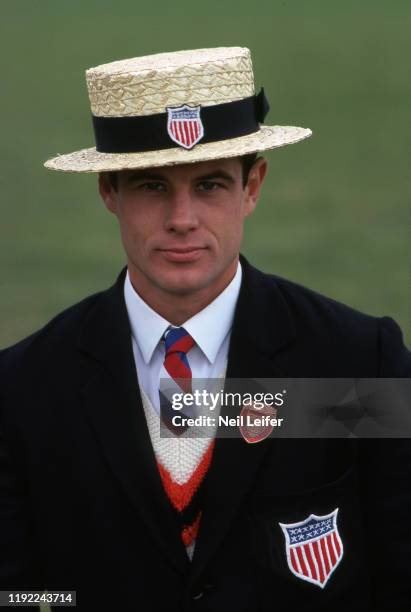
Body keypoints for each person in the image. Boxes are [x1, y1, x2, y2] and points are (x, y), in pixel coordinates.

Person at [0, 47, 410, 612]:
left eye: (210, 185)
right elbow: (18, 595)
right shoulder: (22, 389)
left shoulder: (358, 359)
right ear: (108, 192)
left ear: (253, 186)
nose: (182, 218)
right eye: (151, 186)